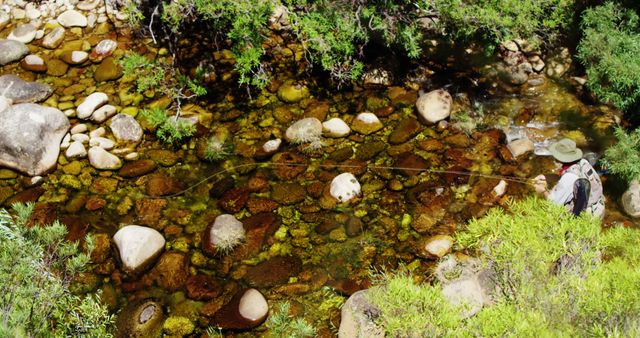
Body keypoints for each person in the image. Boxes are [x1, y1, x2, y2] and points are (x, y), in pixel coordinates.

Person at [532, 138, 605, 219]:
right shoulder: (582, 162)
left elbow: (553, 204)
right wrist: (546, 177)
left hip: (586, 218)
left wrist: (543, 191)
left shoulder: (568, 177)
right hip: (598, 208)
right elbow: (569, 178)